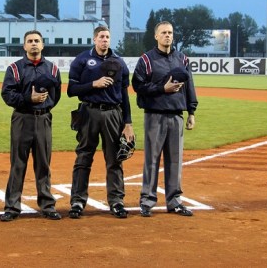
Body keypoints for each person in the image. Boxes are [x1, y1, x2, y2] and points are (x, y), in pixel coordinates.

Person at [67, 25, 134, 219]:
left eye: (107, 37)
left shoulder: (119, 62)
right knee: (83, 157)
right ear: (95, 39)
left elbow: (124, 94)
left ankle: (116, 201)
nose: (105, 40)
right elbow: (71, 90)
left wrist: (127, 122)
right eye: (101, 37)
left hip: (113, 113)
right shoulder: (81, 60)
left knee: (114, 158)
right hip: (88, 112)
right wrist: (93, 85)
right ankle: (78, 201)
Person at [132, 21, 197, 217]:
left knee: (175, 160)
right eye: (163, 33)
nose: (167, 36)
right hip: (154, 115)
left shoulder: (182, 59)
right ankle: (147, 200)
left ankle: (174, 201)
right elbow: (138, 86)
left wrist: (191, 111)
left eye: (170, 33)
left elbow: (189, 86)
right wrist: (162, 88)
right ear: (156, 36)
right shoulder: (146, 60)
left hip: (176, 115)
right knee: (151, 160)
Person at [0, 30, 62, 221]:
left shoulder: (52, 69)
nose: (34, 44)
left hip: (43, 119)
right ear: (24, 46)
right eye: (30, 41)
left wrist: (44, 105)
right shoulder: (15, 69)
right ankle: (12, 206)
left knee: (43, 163)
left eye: (37, 41)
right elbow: (7, 94)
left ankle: (47, 204)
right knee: (18, 163)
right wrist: (29, 99)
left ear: (42, 45)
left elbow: (56, 94)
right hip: (22, 118)